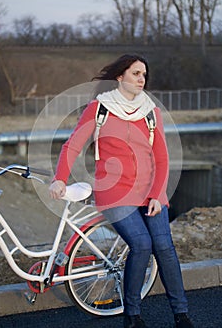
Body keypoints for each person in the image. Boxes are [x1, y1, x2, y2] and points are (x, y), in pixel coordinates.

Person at [49, 54, 194, 328]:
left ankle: (181, 314)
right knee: (141, 244)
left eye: (144, 75)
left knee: (164, 247)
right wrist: (59, 179)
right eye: (136, 73)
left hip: (151, 190)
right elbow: (72, 147)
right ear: (120, 77)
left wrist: (156, 195)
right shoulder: (99, 109)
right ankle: (132, 316)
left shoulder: (152, 112)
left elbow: (162, 159)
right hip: (115, 192)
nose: (142, 79)